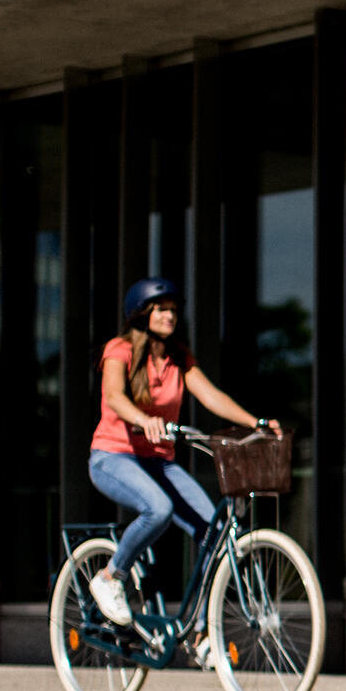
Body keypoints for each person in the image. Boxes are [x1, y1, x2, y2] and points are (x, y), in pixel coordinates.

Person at [86, 277, 277, 652]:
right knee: (158, 508)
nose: (170, 315)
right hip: (113, 456)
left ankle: (202, 631)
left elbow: (210, 395)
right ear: (143, 314)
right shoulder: (120, 349)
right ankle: (111, 576)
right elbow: (114, 396)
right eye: (161, 309)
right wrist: (143, 419)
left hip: (158, 462)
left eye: (174, 310)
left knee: (216, 533)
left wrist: (254, 423)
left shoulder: (178, 358)